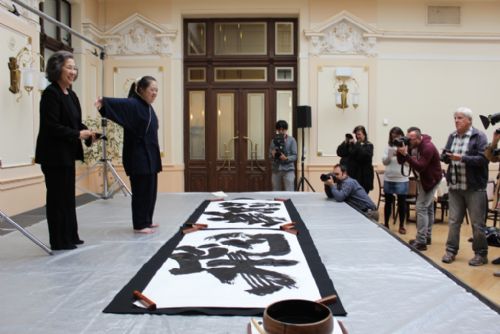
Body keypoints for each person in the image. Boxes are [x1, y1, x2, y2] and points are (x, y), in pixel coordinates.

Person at [35, 51, 96, 250]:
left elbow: (75, 123)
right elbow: (51, 126)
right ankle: (59, 240)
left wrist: (88, 133)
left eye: (74, 68)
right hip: (53, 155)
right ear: (57, 69)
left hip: (67, 154)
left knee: (68, 196)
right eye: (69, 67)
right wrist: (78, 134)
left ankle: (70, 235)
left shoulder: (72, 94)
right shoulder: (50, 94)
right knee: (57, 198)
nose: (73, 71)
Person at [94, 76, 162, 234]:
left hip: (150, 155)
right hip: (138, 156)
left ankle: (147, 220)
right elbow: (118, 103)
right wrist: (103, 101)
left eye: (156, 90)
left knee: (150, 190)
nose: (155, 93)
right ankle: (139, 224)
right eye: (152, 89)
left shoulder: (147, 107)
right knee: (141, 191)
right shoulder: (133, 103)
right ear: (141, 90)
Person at [440, 107, 489, 266]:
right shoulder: (452, 136)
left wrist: (462, 158)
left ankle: (481, 254)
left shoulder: (479, 136)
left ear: (469, 120)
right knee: (454, 221)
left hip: (474, 187)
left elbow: (483, 159)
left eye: (460, 118)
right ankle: (450, 251)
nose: (456, 121)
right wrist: (445, 157)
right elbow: (448, 157)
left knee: (477, 223)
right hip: (455, 186)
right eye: (455, 118)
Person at [397, 127, 441, 251]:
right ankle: (427, 236)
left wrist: (406, 154)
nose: (409, 141)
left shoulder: (428, 147)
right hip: (422, 179)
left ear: (418, 137)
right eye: (408, 139)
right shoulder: (411, 144)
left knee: (421, 207)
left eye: (410, 139)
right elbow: (401, 161)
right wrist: (400, 150)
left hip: (431, 180)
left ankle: (421, 241)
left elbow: (420, 166)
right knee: (428, 207)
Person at [382, 127, 409, 234]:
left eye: (397, 134)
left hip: (402, 178)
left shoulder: (406, 147)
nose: (395, 136)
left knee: (402, 203)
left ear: (401, 135)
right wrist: (390, 155)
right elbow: (385, 162)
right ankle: (386, 224)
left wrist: (403, 154)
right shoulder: (388, 147)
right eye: (393, 134)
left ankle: (402, 225)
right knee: (388, 202)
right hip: (389, 178)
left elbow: (409, 163)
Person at [336, 125, 374, 193]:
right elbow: (340, 153)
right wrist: (345, 143)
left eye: (359, 134)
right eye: (356, 134)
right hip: (352, 176)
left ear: (364, 134)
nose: (357, 136)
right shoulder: (354, 145)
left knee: (362, 197)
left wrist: (356, 145)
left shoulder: (368, 145)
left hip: (364, 178)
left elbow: (364, 156)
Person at [269, 120, 297, 191]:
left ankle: (290, 202)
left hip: (288, 170)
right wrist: (272, 154)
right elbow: (269, 156)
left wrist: (286, 158)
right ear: (277, 130)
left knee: (289, 191)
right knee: (275, 190)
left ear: (286, 129)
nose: (281, 131)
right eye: (279, 130)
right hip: (276, 169)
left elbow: (295, 155)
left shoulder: (292, 140)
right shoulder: (273, 141)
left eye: (283, 129)